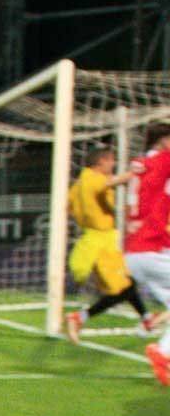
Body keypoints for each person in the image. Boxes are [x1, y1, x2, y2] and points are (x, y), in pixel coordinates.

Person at [64, 146, 148, 343]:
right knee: (123, 287)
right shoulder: (92, 179)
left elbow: (69, 207)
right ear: (101, 162)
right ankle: (79, 317)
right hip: (102, 241)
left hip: (95, 239)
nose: (113, 164)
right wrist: (135, 173)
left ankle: (146, 318)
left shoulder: (79, 183)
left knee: (125, 284)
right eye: (111, 160)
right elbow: (110, 182)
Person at [125, 121, 170, 383]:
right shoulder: (164, 160)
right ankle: (162, 350)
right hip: (151, 248)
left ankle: (162, 354)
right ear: (164, 141)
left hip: (135, 250)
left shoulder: (140, 164)